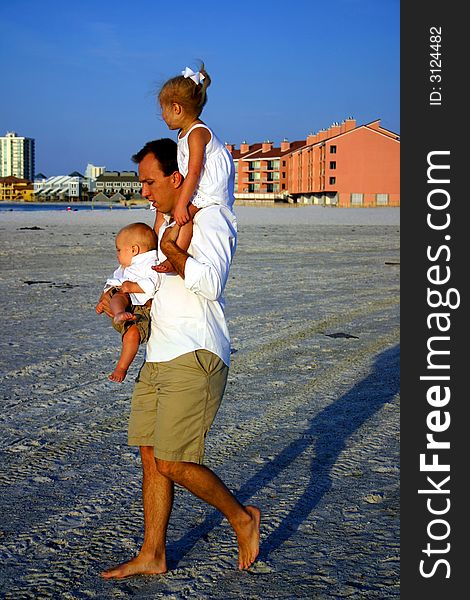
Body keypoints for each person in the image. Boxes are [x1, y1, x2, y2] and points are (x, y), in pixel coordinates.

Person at [101, 139, 260, 579]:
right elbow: (148, 305)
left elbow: (208, 285)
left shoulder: (210, 220)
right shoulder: (167, 226)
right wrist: (120, 308)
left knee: (172, 460)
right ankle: (153, 553)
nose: (145, 192)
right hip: (159, 356)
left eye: (150, 182)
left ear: (177, 178)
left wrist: (171, 247)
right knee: (151, 458)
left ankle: (242, 517)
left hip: (195, 353)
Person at [154, 63, 235, 273]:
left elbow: (194, 171)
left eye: (163, 109)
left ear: (177, 108)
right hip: (199, 188)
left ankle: (174, 257)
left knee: (183, 218)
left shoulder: (197, 133)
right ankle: (173, 253)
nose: (162, 115)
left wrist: (182, 204)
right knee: (179, 218)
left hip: (210, 190)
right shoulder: (184, 133)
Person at [95, 222, 159, 382]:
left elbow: (153, 283)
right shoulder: (125, 266)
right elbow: (113, 283)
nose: (117, 254)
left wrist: (133, 286)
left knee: (132, 335)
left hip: (141, 306)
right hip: (126, 300)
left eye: (118, 250)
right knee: (118, 295)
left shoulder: (150, 262)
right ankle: (119, 313)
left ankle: (122, 367)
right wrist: (104, 299)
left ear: (134, 250)